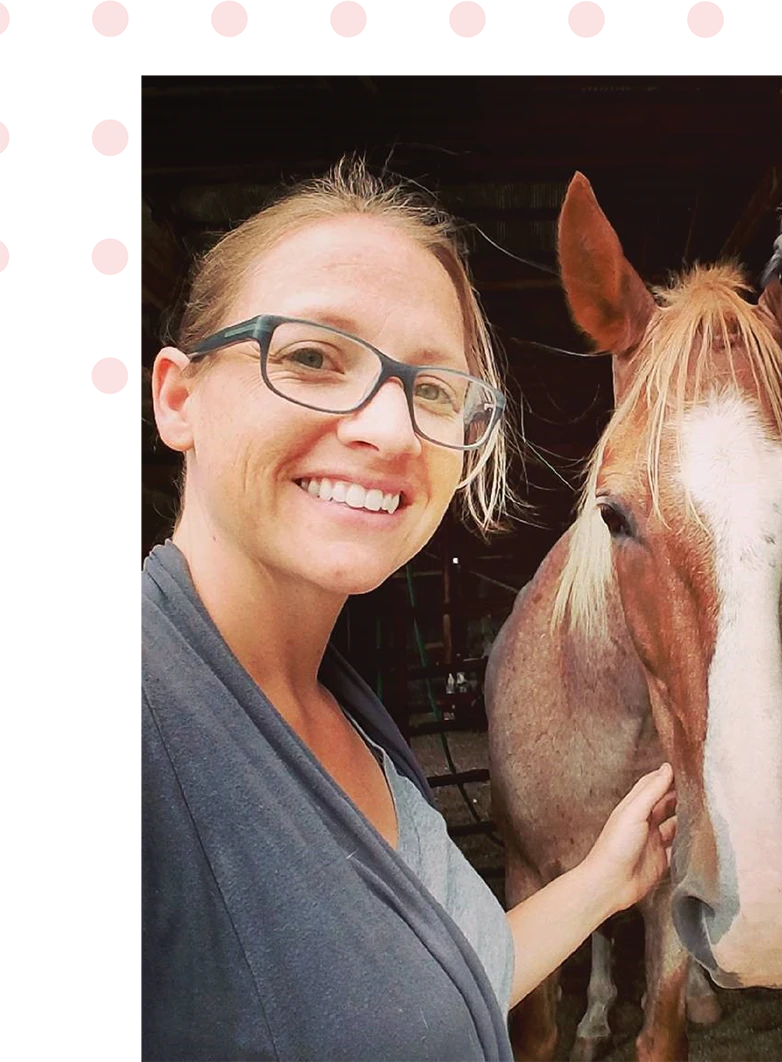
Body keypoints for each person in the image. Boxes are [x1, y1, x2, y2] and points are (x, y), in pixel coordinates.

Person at [137, 159, 677, 1062]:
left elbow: (431, 996)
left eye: (432, 390)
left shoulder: (347, 710)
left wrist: (601, 883)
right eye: (311, 356)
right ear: (177, 397)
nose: (389, 431)